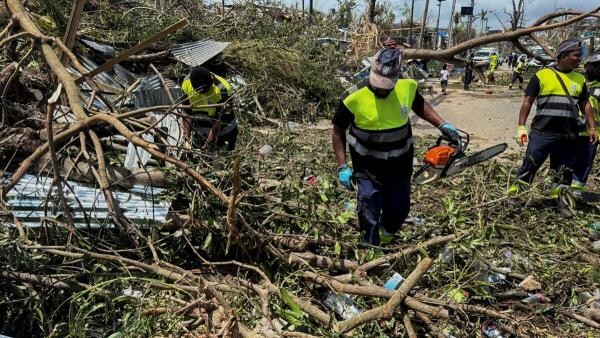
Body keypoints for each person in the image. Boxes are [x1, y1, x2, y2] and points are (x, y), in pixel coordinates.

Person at [331, 48, 461, 245]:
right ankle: (371, 246)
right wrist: (342, 166)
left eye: (387, 85)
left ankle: (386, 233)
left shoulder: (407, 88)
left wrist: (442, 124)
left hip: (400, 163)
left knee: (400, 207)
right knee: (369, 208)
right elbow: (337, 130)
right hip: (367, 166)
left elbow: (420, 105)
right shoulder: (352, 98)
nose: (382, 89)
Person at [509, 38, 597, 217]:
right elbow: (528, 101)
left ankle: (560, 202)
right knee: (530, 164)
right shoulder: (541, 75)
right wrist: (521, 126)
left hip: (568, 135)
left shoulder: (579, 79)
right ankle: (514, 196)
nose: (579, 59)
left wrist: (592, 127)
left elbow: (585, 104)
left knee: (563, 171)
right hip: (542, 132)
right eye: (576, 55)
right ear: (563, 56)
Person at [181, 66, 237, 150]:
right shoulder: (186, 84)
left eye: (206, 91)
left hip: (225, 130)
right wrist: (186, 139)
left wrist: (206, 145)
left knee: (223, 156)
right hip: (202, 129)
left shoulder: (222, 89)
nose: (204, 94)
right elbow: (187, 113)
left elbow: (218, 122)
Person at [572, 54, 600, 194]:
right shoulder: (577, 83)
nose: (597, 69)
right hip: (571, 130)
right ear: (586, 66)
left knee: (584, 162)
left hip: (592, 134)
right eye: (594, 65)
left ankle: (576, 192)